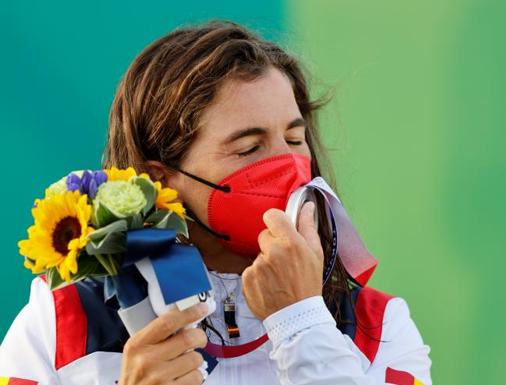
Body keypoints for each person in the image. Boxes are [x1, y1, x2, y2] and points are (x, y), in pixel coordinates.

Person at [0, 20, 432, 385]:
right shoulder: (61, 321)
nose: (288, 167)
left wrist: (303, 324)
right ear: (158, 179)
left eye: (295, 139)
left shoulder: (380, 327)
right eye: (248, 148)